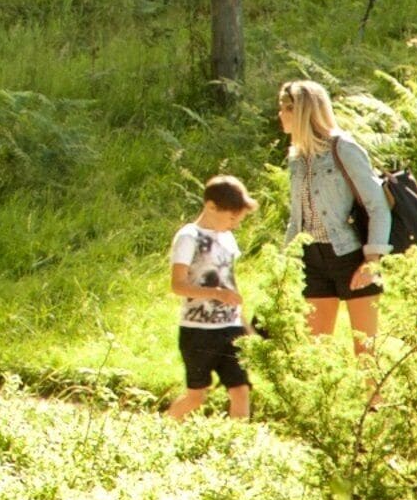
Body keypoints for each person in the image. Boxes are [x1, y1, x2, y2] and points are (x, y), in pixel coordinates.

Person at [278, 78, 391, 352]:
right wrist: (283, 264)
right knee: (316, 353)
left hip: (351, 257)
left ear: (301, 111)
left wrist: (371, 262)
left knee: (366, 352)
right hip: (312, 259)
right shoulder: (296, 157)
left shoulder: (343, 148)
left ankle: (375, 398)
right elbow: (296, 218)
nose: (280, 115)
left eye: (284, 108)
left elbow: (378, 205)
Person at [166, 175, 258, 420]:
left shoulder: (228, 237)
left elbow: (231, 283)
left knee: (240, 390)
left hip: (230, 327)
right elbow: (177, 285)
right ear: (211, 207)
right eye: (231, 218)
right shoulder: (188, 237)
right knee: (196, 397)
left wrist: (245, 324)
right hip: (198, 331)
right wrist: (216, 294)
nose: (234, 224)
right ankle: (162, 429)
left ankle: (240, 446)